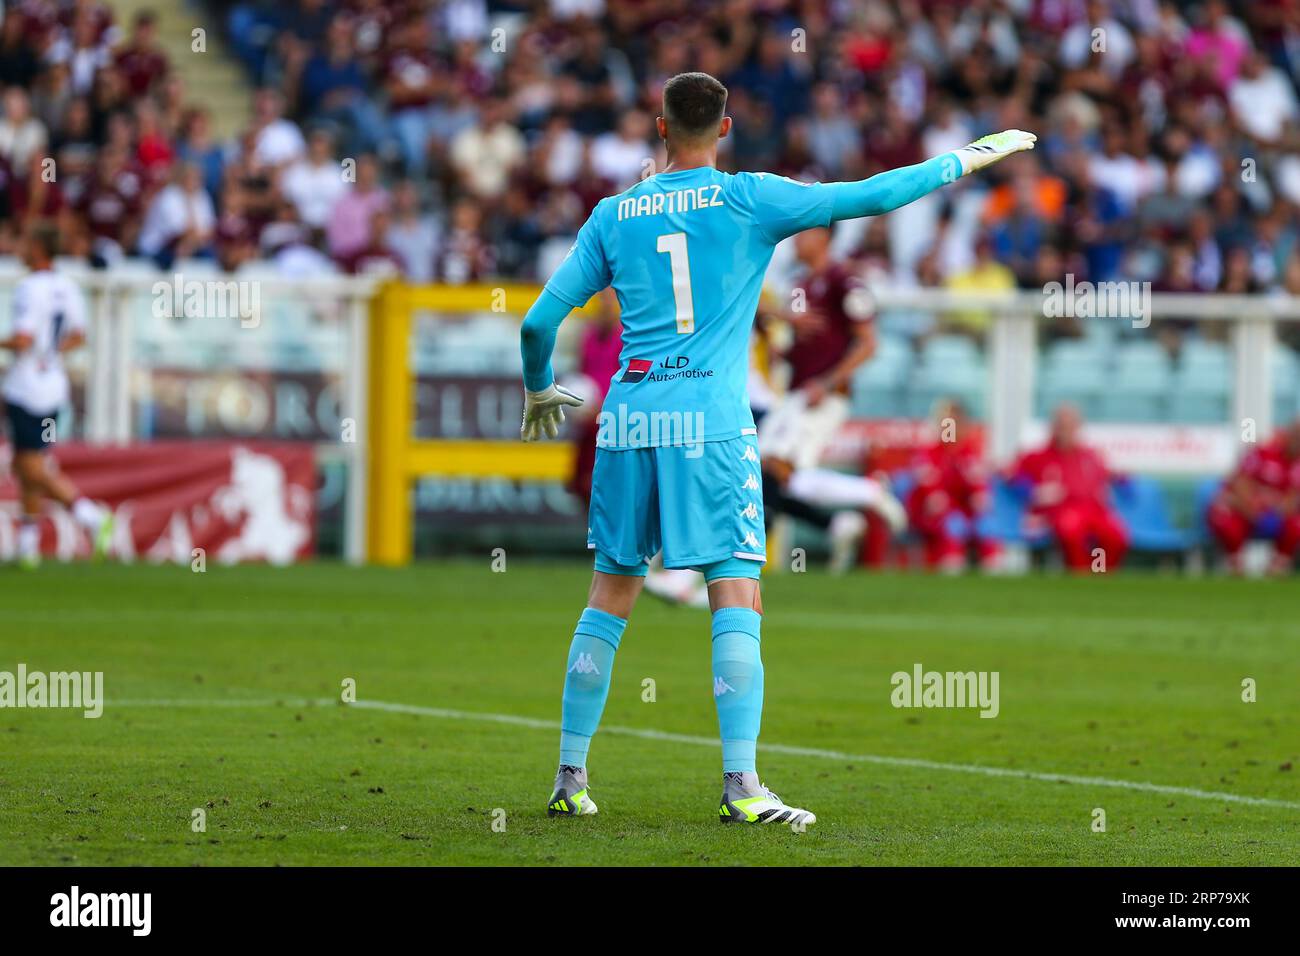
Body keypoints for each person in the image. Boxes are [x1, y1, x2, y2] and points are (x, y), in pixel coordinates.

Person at [518, 71, 1034, 825]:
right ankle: (741, 786)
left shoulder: (613, 213)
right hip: (712, 424)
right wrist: (963, 159)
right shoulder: (748, 196)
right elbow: (873, 195)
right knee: (737, 589)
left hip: (627, 425)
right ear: (724, 130)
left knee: (609, 593)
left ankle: (570, 777)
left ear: (659, 128)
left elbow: (537, 325)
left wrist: (538, 390)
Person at [1, 226, 113, 568]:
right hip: (53, 386)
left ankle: (89, 514)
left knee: (28, 464)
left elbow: (23, 339)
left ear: (36, 247)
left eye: (24, 241)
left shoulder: (28, 289)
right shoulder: (68, 287)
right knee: (29, 461)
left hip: (26, 386)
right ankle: (28, 542)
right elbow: (79, 336)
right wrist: (52, 353)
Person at [1009, 403, 1127, 572]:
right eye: (1062, 425)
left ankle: (1099, 572)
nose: (1066, 430)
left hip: (1096, 509)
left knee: (1114, 535)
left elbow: (1112, 477)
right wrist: (1034, 493)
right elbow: (1013, 476)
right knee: (1071, 532)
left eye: (1070, 426)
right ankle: (1080, 575)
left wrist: (1121, 481)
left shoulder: (1090, 455)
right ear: (1053, 427)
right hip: (1061, 510)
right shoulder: (1037, 456)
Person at [906, 399, 999, 572]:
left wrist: (980, 496)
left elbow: (979, 487)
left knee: (987, 525)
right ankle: (951, 570)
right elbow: (931, 493)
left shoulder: (969, 453)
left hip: (963, 511)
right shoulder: (929, 452)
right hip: (931, 514)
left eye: (957, 422)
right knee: (952, 524)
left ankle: (992, 576)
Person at [1206, 417, 1300, 575]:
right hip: (1246, 511)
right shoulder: (1263, 452)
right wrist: (1253, 510)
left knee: (1296, 524)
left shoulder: (1297, 464)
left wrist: (1278, 509)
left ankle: (1277, 567)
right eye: (1296, 436)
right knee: (1225, 517)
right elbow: (1240, 484)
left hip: (1274, 515)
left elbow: (1292, 498)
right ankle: (1236, 565)